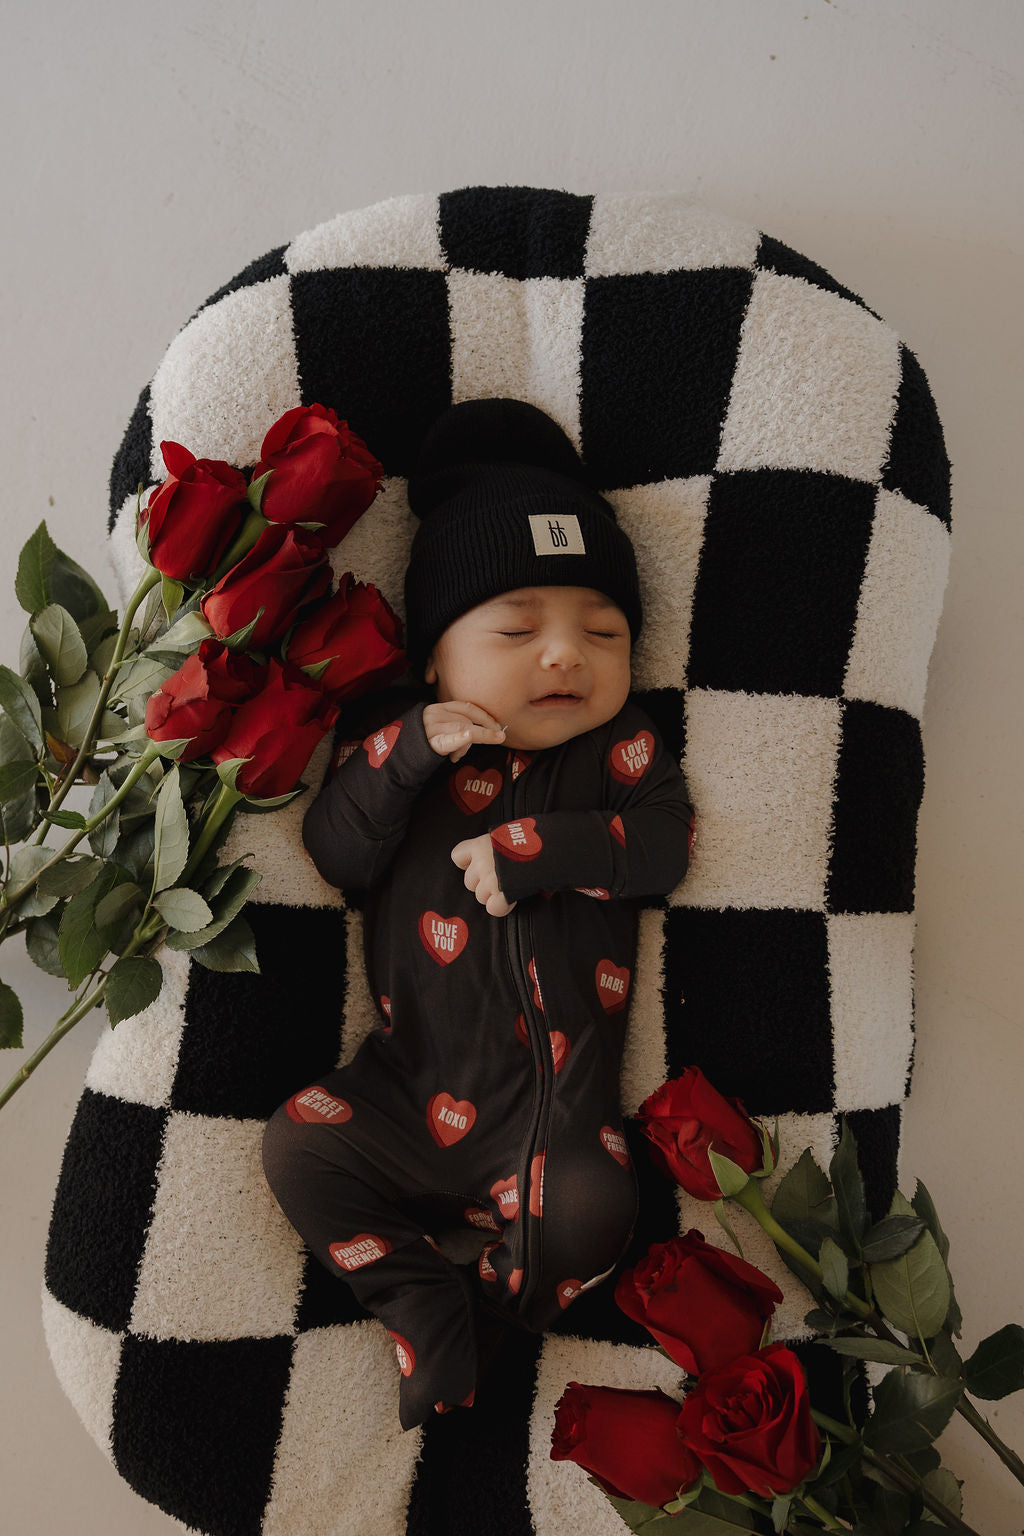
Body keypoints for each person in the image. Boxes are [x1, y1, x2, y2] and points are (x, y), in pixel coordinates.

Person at [262, 398, 693, 1429]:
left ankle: (490, 1315)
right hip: (408, 1092)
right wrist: (409, 752)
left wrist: (536, 848)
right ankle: (414, 1291)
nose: (565, 657)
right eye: (515, 628)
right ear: (436, 659)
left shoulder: (621, 752)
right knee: (297, 1145)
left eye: (603, 631)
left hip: (553, 1116)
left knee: (595, 1212)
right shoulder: (399, 749)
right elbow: (334, 853)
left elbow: (664, 852)